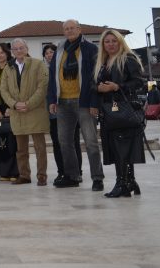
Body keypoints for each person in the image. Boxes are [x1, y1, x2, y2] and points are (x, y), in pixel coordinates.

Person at [48, 19, 104, 191]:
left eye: (72, 28)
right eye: (66, 29)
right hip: (63, 102)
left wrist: (94, 102)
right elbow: (53, 75)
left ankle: (97, 178)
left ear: (79, 29)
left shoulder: (90, 48)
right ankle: (72, 176)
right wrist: (52, 99)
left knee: (91, 142)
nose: (69, 31)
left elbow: (97, 76)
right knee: (64, 141)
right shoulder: (60, 49)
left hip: (84, 102)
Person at [94, 29, 146, 198]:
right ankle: (129, 181)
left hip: (124, 109)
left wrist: (117, 86)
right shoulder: (103, 62)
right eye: (107, 41)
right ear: (103, 44)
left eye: (114, 41)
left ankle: (122, 183)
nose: (110, 44)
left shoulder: (128, 59)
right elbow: (94, 84)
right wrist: (98, 88)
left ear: (120, 42)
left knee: (122, 147)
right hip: (109, 110)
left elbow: (139, 82)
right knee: (117, 147)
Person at [0, 39, 50, 186]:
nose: (19, 51)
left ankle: (42, 176)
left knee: (40, 147)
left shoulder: (38, 64)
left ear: (27, 48)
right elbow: (3, 89)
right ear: (12, 51)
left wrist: (28, 104)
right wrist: (14, 104)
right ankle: (24, 175)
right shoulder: (8, 67)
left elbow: (42, 87)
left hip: (35, 111)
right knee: (21, 149)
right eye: (15, 49)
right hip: (17, 113)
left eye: (21, 48)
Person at [43, 43, 82, 185]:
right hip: (53, 111)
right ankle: (62, 171)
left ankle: (77, 172)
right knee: (57, 143)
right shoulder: (43, 70)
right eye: (46, 53)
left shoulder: (66, 66)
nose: (49, 55)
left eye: (52, 52)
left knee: (73, 141)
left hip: (69, 108)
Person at [0, 43, 19, 181]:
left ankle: (15, 172)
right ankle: (4, 172)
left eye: (2, 52)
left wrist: (11, 106)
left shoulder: (14, 68)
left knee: (14, 142)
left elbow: (18, 89)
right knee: (2, 143)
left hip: (12, 108)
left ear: (7, 54)